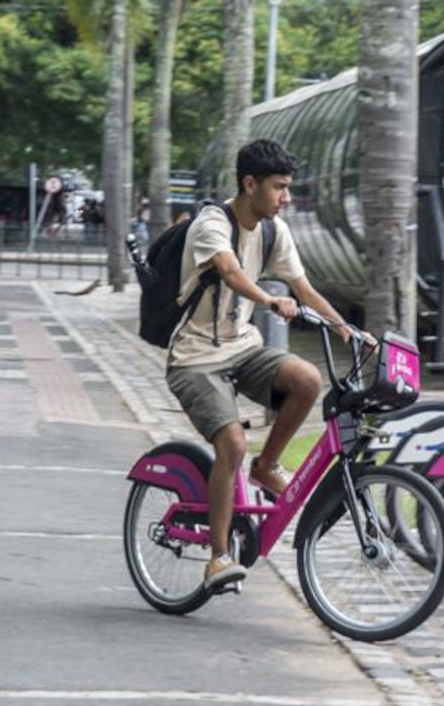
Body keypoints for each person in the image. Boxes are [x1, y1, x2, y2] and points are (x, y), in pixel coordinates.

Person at [165, 139, 373, 592]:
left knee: (306, 378)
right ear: (249, 183)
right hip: (195, 360)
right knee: (232, 444)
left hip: (242, 348)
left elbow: (304, 288)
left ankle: (269, 465)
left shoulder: (275, 230)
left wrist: (346, 330)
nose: (285, 197)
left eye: (288, 188)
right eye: (279, 188)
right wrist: (267, 299)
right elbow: (229, 270)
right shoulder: (211, 223)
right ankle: (218, 558)